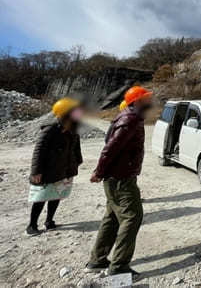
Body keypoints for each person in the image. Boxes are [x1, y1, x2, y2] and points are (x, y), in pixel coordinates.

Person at [85, 86, 152, 279]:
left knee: (113, 216)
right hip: (121, 179)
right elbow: (110, 148)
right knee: (132, 217)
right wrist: (99, 171)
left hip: (117, 177)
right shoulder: (130, 120)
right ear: (138, 101)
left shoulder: (129, 117)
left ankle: (97, 261)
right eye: (146, 98)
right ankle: (119, 267)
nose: (150, 102)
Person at [27, 98, 83, 236]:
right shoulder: (50, 130)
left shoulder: (73, 130)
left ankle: (49, 221)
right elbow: (38, 151)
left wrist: (77, 162)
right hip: (48, 170)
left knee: (57, 195)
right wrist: (36, 171)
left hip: (64, 170)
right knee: (41, 197)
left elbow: (76, 149)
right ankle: (32, 225)